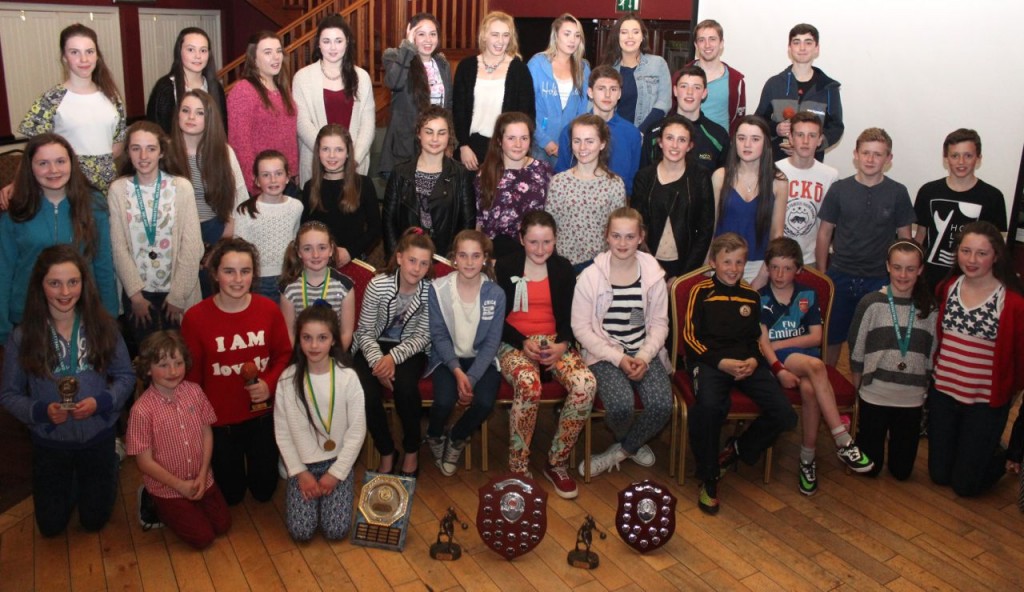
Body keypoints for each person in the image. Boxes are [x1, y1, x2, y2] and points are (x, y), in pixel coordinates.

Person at [0, 245, 134, 536]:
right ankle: (72, 482)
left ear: (84, 284)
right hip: (50, 442)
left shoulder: (105, 327)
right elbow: (9, 394)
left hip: (97, 436)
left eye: (73, 282)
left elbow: (125, 376)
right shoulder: (22, 336)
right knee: (50, 527)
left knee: (93, 522)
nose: (65, 292)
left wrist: (102, 402)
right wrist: (39, 412)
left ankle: (111, 457)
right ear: (40, 285)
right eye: (54, 283)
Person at [682, 233, 798, 514]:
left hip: (747, 364)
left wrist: (755, 362)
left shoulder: (750, 295)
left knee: (785, 414)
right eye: (727, 262)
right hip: (709, 362)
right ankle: (709, 478)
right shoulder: (701, 291)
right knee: (709, 408)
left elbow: (756, 339)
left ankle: (737, 450)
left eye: (739, 262)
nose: (733, 268)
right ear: (713, 262)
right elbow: (689, 337)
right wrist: (720, 362)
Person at [181, 238, 293, 505]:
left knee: (264, 492)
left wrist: (269, 383)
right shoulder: (195, 318)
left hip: (261, 416)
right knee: (231, 496)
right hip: (221, 423)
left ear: (254, 274)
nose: (237, 279)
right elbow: (192, 378)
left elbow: (284, 354)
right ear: (215, 274)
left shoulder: (268, 310)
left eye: (245, 271)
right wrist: (199, 424)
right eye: (229, 271)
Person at [758, 238, 872, 496]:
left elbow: (816, 338)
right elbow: (763, 344)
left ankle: (807, 459)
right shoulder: (760, 297)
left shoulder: (806, 295)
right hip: (779, 363)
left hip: (801, 357)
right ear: (767, 267)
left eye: (787, 268)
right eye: (774, 267)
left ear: (799, 270)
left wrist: (777, 343)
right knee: (818, 366)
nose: (779, 274)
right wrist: (777, 361)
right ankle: (842, 439)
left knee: (810, 388)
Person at [495, 212, 596, 498]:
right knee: (528, 384)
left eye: (547, 242)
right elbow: (496, 319)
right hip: (514, 342)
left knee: (585, 385)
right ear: (521, 239)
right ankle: (518, 467)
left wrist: (563, 345)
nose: (540, 249)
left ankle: (557, 461)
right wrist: (521, 341)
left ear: (555, 240)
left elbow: (571, 318)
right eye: (533, 242)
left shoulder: (563, 268)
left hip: (555, 341)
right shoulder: (505, 267)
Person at [571, 207, 673, 479]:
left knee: (663, 405)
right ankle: (633, 441)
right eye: (616, 236)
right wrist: (618, 358)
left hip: (644, 352)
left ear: (641, 237)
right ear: (606, 236)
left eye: (630, 236)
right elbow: (580, 328)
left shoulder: (654, 275)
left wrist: (643, 355)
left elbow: (660, 324)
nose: (623, 243)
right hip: (604, 354)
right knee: (619, 406)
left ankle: (621, 451)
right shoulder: (590, 277)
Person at [929, 222, 1024, 496]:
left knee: (965, 487)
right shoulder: (947, 287)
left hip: (984, 402)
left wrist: (1010, 395)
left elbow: (1018, 358)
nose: (972, 260)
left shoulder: (1012, 301)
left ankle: (999, 455)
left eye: (981, 253)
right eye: (966, 251)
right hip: (943, 395)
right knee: (939, 476)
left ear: (996, 255)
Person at [0, 133, 117, 345]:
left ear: (71, 163)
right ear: (30, 167)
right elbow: (4, 270)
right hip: (28, 317)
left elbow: (103, 263)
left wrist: (109, 316)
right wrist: (2, 328)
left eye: (60, 162)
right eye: (43, 163)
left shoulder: (93, 204)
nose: (53, 170)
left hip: (83, 315)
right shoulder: (15, 209)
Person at [816, 128, 915, 366]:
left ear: (888, 159)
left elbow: (905, 239)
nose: (871, 159)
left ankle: (864, 395)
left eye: (878, 154)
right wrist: (823, 274)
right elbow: (824, 233)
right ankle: (828, 386)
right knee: (831, 338)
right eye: (866, 153)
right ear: (856, 155)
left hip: (878, 279)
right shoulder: (840, 189)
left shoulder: (898, 192)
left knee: (872, 342)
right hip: (840, 275)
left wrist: (902, 278)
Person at [126, 330, 231, 549]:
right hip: (168, 487)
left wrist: (203, 473)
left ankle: (189, 506)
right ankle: (151, 500)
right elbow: (144, 462)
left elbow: (206, 432)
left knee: (223, 525)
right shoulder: (141, 411)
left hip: (201, 477)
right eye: (163, 365)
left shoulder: (194, 391)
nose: (173, 371)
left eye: (178, 362)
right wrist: (180, 486)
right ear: (147, 368)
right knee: (203, 538)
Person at [108, 121, 203, 349]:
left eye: (151, 148)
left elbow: (192, 246)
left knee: (180, 357)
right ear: (127, 152)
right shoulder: (118, 190)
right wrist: (135, 296)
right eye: (135, 148)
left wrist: (178, 296)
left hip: (177, 292)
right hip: (139, 295)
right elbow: (118, 246)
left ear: (161, 151)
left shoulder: (181, 187)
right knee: (147, 359)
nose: (143, 155)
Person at [275, 305, 365, 541]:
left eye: (322, 338)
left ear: (333, 340)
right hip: (302, 466)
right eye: (307, 338)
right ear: (299, 340)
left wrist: (336, 474)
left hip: (337, 464)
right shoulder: (287, 380)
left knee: (336, 531)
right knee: (301, 532)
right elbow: (282, 433)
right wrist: (300, 473)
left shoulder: (348, 377)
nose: (314, 346)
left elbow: (357, 432)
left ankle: (331, 494)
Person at [848, 240, 937, 480]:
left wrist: (927, 385)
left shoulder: (929, 308)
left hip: (911, 398)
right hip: (875, 393)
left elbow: (932, 351)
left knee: (902, 473)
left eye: (910, 269)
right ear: (888, 266)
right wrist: (857, 389)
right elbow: (856, 350)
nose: (903, 274)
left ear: (920, 270)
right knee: (870, 469)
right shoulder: (871, 303)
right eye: (897, 267)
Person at [353, 228, 434, 477]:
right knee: (363, 392)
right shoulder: (378, 285)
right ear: (399, 257)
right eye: (411, 260)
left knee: (406, 389)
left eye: (423, 263)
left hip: (409, 348)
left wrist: (392, 359)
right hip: (372, 344)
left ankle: (411, 450)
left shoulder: (430, 291)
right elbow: (365, 330)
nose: (416, 269)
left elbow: (423, 336)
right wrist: (379, 362)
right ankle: (387, 450)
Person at [425, 230, 505, 476]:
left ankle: (457, 437)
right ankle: (435, 435)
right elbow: (438, 336)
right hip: (448, 360)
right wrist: (457, 371)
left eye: (475, 256)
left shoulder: (495, 293)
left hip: (482, 359)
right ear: (453, 259)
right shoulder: (438, 289)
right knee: (444, 401)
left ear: (485, 259)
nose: (469, 262)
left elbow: (492, 342)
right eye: (463, 255)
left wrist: (470, 379)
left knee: (483, 402)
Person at [18, 24, 126, 194]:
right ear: (64, 58)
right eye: (75, 52)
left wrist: (97, 165)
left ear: (97, 56)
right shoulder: (51, 99)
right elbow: (34, 152)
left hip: (107, 184)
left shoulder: (112, 97)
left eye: (89, 52)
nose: (84, 59)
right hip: (67, 185)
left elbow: (118, 145)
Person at [163, 89, 248, 296]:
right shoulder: (165, 151)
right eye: (186, 110)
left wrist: (220, 244)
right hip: (175, 234)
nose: (191, 117)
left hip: (215, 232)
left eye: (200, 113)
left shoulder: (224, 152)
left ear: (209, 118)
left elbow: (241, 202)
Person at [914, 129, 1007, 289]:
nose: (961, 162)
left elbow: (996, 247)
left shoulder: (993, 197)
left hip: (972, 284)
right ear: (946, 158)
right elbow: (920, 237)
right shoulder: (928, 191)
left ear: (978, 158)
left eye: (968, 155)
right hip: (929, 280)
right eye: (955, 155)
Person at [382, 106, 475, 257]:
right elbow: (388, 223)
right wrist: (397, 259)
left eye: (441, 133)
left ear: (449, 136)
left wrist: (453, 262)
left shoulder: (461, 175)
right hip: (406, 259)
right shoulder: (400, 173)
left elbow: (467, 226)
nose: (435, 139)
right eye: (429, 132)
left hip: (445, 260)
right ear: (419, 134)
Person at [631, 115, 715, 280]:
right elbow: (636, 228)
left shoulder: (701, 177)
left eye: (682, 140)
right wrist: (654, 271)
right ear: (660, 142)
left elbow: (705, 230)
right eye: (669, 138)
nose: (675, 145)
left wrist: (683, 276)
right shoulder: (644, 177)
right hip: (648, 266)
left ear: (690, 146)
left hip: (686, 266)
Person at [294, 14, 375, 183]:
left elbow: (367, 125)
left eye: (338, 41)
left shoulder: (362, 77)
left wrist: (352, 159)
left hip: (354, 167)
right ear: (318, 44)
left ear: (347, 42)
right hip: (316, 166)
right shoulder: (302, 77)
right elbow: (302, 124)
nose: (332, 47)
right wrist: (327, 154)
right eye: (326, 41)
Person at [452, 11, 535, 170]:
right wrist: (463, 146)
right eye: (495, 35)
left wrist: (513, 150)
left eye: (505, 35)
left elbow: (527, 115)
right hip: (471, 149)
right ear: (484, 36)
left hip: (506, 148)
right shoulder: (466, 67)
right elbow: (458, 110)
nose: (500, 41)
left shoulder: (519, 70)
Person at [712, 115, 788, 288]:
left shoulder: (779, 181)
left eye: (755, 139)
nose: (747, 145)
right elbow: (712, 226)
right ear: (734, 142)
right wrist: (706, 264)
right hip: (721, 263)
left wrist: (764, 273)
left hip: (759, 265)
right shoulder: (720, 177)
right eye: (741, 138)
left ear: (766, 144)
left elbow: (777, 233)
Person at [545, 114, 626, 269]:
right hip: (564, 264)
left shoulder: (614, 184)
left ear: (602, 143)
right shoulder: (559, 182)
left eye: (589, 141)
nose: (582, 148)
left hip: (600, 265)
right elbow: (550, 227)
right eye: (577, 141)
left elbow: (617, 230)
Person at [754, 23, 843, 162]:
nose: (802, 48)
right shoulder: (774, 84)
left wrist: (812, 145)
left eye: (808, 43)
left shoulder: (828, 88)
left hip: (812, 165)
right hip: (776, 164)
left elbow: (836, 128)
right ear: (789, 48)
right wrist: (775, 128)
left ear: (816, 49)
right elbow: (759, 121)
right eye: (797, 42)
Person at [379, 13, 453, 177]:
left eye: (432, 34)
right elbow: (395, 83)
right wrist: (407, 47)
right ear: (411, 35)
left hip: (435, 145)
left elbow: (448, 107)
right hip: (405, 147)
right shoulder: (395, 57)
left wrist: (449, 142)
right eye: (421, 34)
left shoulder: (442, 64)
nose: (428, 40)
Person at [554, 66, 643, 195]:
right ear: (590, 92)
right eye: (601, 89)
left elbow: (633, 179)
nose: (607, 95)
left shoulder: (631, 133)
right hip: (577, 201)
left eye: (613, 89)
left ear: (619, 94)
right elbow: (562, 173)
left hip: (617, 204)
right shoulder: (571, 130)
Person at [300, 124, 381, 266]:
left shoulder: (364, 184)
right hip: (318, 262)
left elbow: (375, 228)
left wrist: (350, 251)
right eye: (326, 149)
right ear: (318, 152)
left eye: (339, 149)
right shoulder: (310, 187)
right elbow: (305, 229)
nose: (332, 156)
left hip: (354, 259)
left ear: (348, 152)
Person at [228, 31, 298, 195]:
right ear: (254, 59)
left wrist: (294, 172)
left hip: (287, 181)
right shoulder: (243, 91)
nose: (276, 57)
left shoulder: (283, 89)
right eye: (267, 52)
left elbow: (289, 135)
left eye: (278, 51)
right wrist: (254, 185)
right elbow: (240, 143)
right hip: (262, 186)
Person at [475, 112, 552, 259]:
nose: (518, 144)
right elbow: (479, 222)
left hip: (533, 254)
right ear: (499, 140)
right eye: (511, 138)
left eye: (524, 138)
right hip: (494, 256)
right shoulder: (484, 173)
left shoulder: (543, 171)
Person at [234, 150, 303, 302]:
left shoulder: (296, 207)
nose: (273, 180)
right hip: (258, 281)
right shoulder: (245, 211)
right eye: (266, 175)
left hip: (290, 278)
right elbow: (239, 251)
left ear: (287, 177)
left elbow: (296, 241)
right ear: (257, 180)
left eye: (278, 173)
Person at [775, 111, 839, 268]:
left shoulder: (830, 175)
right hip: (776, 257)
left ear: (820, 140)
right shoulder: (774, 170)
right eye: (800, 135)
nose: (805, 141)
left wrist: (821, 267)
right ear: (790, 138)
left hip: (810, 260)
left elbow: (828, 226)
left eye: (812, 135)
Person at [527, 13, 591, 166]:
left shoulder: (583, 68)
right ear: (556, 35)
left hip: (569, 146)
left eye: (577, 35)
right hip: (538, 144)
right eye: (567, 34)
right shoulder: (537, 63)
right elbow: (527, 107)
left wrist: (572, 140)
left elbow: (583, 110)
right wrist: (545, 141)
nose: (572, 40)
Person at [279, 222, 356, 350]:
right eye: (307, 249)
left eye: (322, 248)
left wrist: (333, 360)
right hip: (301, 354)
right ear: (299, 252)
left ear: (331, 249)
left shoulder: (345, 286)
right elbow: (290, 335)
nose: (315, 255)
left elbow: (346, 334)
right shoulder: (289, 289)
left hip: (334, 353)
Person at [642, 65, 730, 173]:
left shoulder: (718, 135)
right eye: (684, 86)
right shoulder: (655, 132)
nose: (689, 92)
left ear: (704, 93)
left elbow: (724, 182)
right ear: (675, 91)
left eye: (696, 87)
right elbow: (643, 178)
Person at [146, 27, 227, 135]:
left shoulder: (215, 87)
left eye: (203, 50)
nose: (198, 56)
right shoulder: (165, 88)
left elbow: (222, 129)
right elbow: (155, 131)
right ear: (179, 52)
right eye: (190, 49)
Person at [602, 13, 671, 135]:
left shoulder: (658, 64)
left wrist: (639, 133)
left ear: (642, 37)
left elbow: (664, 103)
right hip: (614, 136)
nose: (630, 37)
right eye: (624, 32)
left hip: (646, 136)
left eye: (635, 32)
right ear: (617, 37)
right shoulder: (607, 70)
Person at [688, 19, 746, 134]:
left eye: (712, 39)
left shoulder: (736, 80)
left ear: (721, 43)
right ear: (696, 45)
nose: (707, 45)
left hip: (720, 147)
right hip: (687, 145)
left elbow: (738, 121)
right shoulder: (681, 76)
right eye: (701, 40)